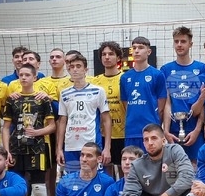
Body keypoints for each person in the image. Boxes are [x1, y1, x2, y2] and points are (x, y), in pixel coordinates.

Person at [3, 64, 56, 196]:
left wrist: (37, 132)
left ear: (35, 77)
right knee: (16, 188)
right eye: (21, 75)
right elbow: (5, 127)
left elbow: (52, 126)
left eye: (27, 75)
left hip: (37, 149)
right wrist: (6, 151)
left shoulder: (42, 99)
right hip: (16, 149)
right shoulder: (12, 99)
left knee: (39, 188)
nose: (24, 77)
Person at [57, 52, 111, 173]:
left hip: (92, 144)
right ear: (68, 70)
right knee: (73, 180)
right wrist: (59, 148)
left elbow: (106, 120)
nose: (75, 69)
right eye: (72, 67)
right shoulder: (64, 93)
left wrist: (107, 147)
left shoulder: (98, 91)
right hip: (71, 145)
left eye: (78, 66)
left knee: (94, 178)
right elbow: (62, 122)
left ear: (86, 69)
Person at [162, 26, 205, 163]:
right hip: (174, 131)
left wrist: (197, 130)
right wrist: (166, 131)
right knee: (174, 168)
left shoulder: (202, 68)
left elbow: (204, 102)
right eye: (176, 41)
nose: (179, 45)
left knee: (196, 166)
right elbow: (167, 102)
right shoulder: (166, 69)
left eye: (183, 41)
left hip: (195, 131)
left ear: (190, 44)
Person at [120, 37, 168, 153]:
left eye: (141, 48)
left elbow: (161, 106)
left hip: (151, 131)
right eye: (134, 48)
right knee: (132, 161)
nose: (136, 51)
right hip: (132, 131)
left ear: (149, 51)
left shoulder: (157, 75)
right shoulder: (125, 77)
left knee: (152, 162)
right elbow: (126, 104)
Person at [91, 41, 127, 178]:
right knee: (106, 172)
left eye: (111, 54)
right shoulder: (95, 81)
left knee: (125, 170)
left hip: (122, 133)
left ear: (118, 58)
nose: (107, 57)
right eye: (104, 54)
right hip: (103, 134)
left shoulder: (125, 78)